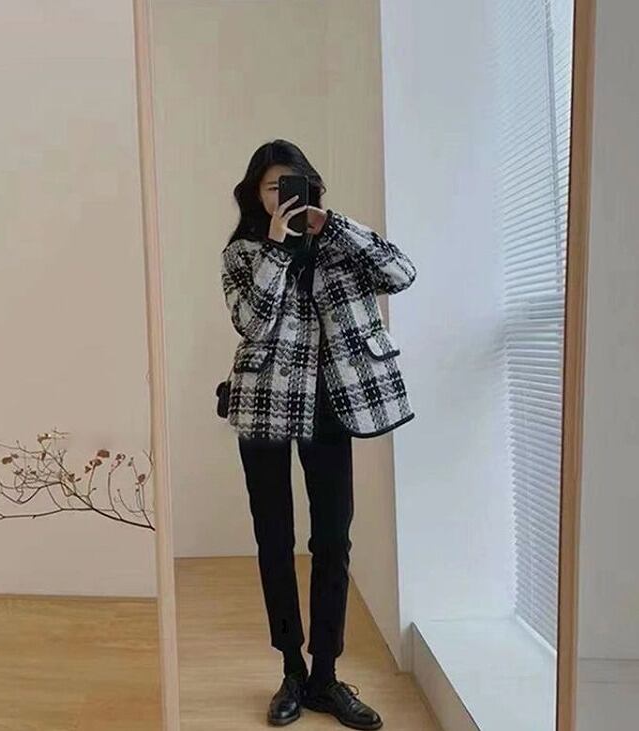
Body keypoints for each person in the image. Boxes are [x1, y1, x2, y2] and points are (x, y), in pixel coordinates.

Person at [219, 139, 417, 729]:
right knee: (274, 539)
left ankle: (325, 676)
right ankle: (290, 671)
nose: (283, 195)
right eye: (272, 186)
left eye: (294, 183)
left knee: (333, 540)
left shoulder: (340, 242)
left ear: (313, 186)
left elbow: (402, 274)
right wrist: (276, 249)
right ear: (255, 194)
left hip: (332, 408)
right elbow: (250, 321)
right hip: (265, 405)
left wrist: (336, 227)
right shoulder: (243, 252)